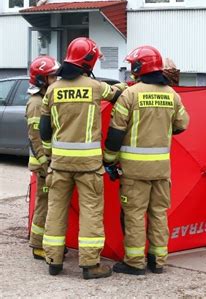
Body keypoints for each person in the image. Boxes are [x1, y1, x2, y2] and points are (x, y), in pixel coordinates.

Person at [39, 37, 127, 279]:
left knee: (56, 209)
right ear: (89, 61)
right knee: (91, 211)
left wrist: (49, 157)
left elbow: (44, 131)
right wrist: (126, 86)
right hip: (88, 165)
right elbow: (115, 93)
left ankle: (53, 260)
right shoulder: (94, 87)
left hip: (59, 164)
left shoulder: (53, 90)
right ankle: (90, 265)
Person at [103, 45, 189, 275]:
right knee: (159, 213)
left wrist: (109, 160)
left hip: (134, 171)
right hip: (161, 169)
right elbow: (182, 125)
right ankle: (158, 261)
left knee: (133, 214)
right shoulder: (172, 94)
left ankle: (134, 262)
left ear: (140, 67)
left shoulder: (130, 94)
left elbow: (115, 132)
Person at [26, 55, 60, 260]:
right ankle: (38, 245)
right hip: (43, 164)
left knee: (47, 202)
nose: (55, 79)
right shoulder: (37, 103)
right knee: (44, 203)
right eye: (51, 76)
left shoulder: (44, 98)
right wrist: (45, 163)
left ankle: (42, 242)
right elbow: (36, 137)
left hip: (45, 161)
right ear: (41, 80)